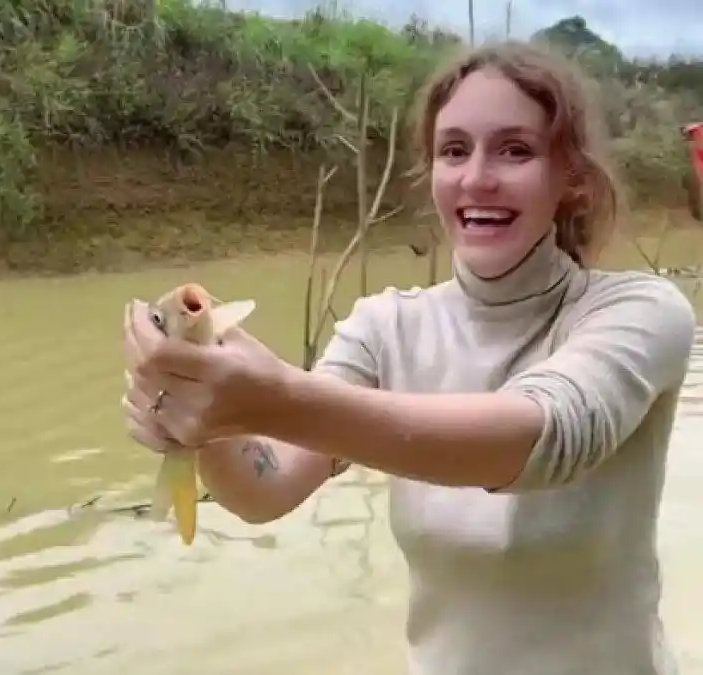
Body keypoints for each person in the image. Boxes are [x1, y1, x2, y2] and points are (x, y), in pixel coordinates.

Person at [122, 42, 696, 675]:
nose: (477, 177)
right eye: (454, 150)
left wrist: (275, 398)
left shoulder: (639, 311)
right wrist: (207, 422)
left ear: (572, 179)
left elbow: (546, 436)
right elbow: (267, 489)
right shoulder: (386, 326)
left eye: (515, 150)